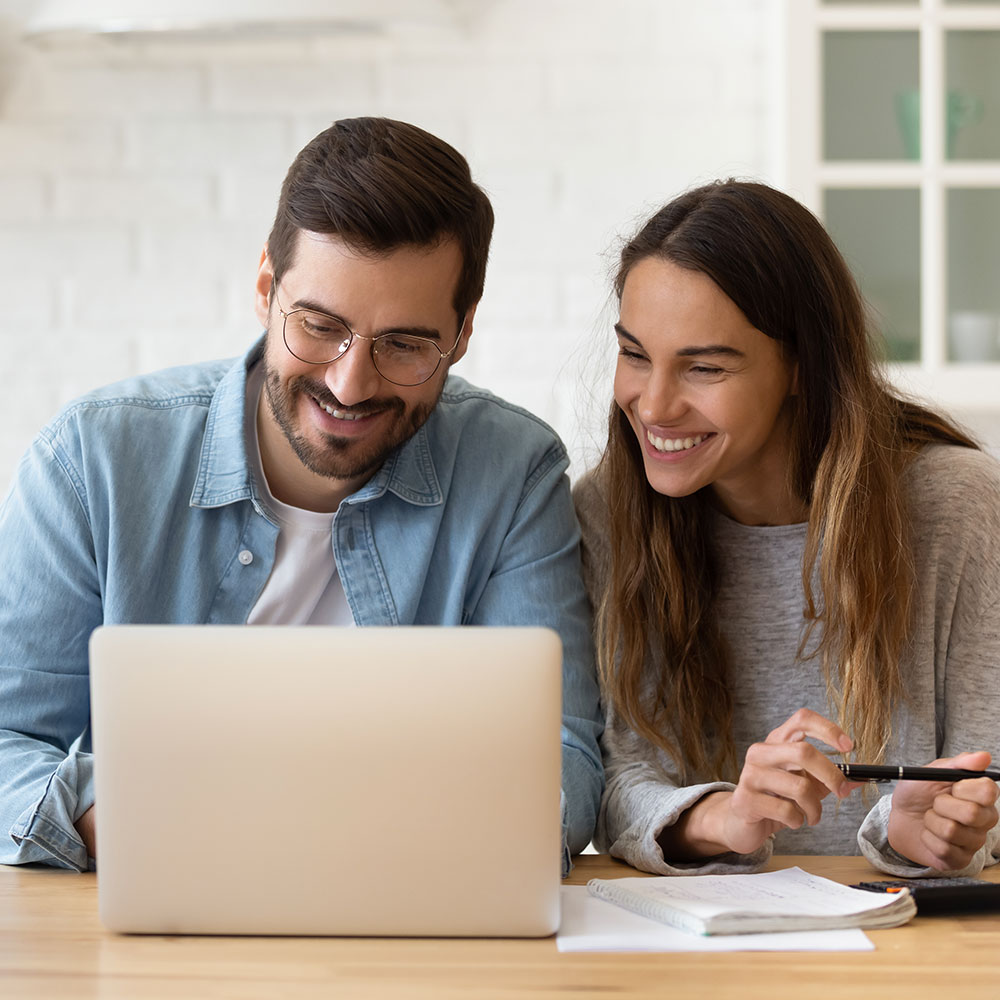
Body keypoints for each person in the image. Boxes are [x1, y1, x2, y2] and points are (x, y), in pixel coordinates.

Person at [0, 116, 603, 873]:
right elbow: (6, 735)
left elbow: (562, 757)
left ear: (463, 333)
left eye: (406, 345)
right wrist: (110, 819)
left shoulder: (512, 472)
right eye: (320, 326)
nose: (351, 384)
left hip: (412, 914)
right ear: (264, 289)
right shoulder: (92, 460)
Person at [574, 180, 1000, 878]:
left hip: (911, 949)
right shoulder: (607, 511)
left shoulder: (959, 509)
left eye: (704, 367)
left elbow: (988, 779)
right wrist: (727, 817)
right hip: (695, 944)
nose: (652, 404)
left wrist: (933, 832)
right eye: (635, 353)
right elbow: (618, 779)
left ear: (804, 366)